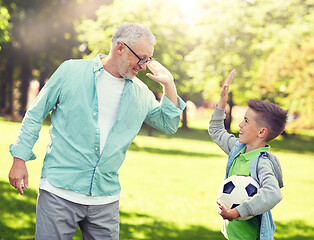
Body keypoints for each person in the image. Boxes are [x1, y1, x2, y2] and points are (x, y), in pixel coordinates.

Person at [8, 22, 186, 239]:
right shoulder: (70, 71)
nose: (143, 65)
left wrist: (169, 85)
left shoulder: (141, 93)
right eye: (141, 58)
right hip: (59, 191)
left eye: (148, 59)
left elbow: (168, 125)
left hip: (105, 199)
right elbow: (35, 114)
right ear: (120, 48)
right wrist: (19, 159)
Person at [209, 70, 288, 240]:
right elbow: (215, 130)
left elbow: (273, 194)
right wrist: (222, 101)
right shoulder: (237, 149)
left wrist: (237, 212)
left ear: (261, 132)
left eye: (246, 121)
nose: (240, 125)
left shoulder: (262, 163)